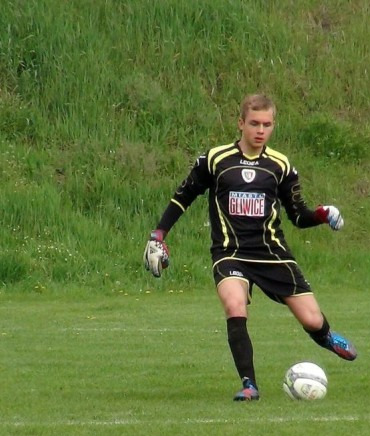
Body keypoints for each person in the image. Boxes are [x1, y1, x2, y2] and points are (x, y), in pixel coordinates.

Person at [143, 94, 357, 401]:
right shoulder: (215, 160)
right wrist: (159, 234)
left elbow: (298, 216)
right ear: (241, 123)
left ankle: (325, 336)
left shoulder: (280, 165)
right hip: (229, 253)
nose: (260, 130)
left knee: (312, 319)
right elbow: (183, 197)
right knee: (234, 304)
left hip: (272, 254)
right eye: (254, 123)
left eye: (267, 124)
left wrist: (322, 215)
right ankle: (249, 385)